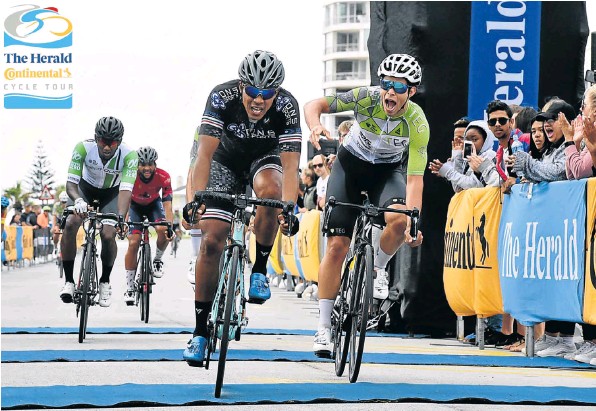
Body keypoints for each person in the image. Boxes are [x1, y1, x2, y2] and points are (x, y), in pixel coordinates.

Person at [182, 50, 301, 366]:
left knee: (271, 191)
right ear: (240, 86)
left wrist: (289, 207)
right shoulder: (221, 97)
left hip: (263, 160)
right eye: (252, 92)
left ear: (277, 92)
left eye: (267, 94)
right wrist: (195, 199)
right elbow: (203, 156)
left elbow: (290, 169)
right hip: (223, 159)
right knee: (211, 242)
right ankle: (199, 332)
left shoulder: (288, 106)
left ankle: (259, 270)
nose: (259, 101)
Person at [304, 53, 426, 356]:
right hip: (350, 168)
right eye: (386, 83)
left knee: (400, 221)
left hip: (387, 174)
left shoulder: (417, 121)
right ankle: (323, 328)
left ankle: (377, 269)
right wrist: (316, 126)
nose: (390, 92)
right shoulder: (364, 98)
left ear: (411, 92)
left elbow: (414, 179)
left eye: (399, 86)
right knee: (336, 247)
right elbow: (313, 105)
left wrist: (414, 221)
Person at [58, 116, 137, 308]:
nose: (108, 147)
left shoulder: (129, 156)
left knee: (108, 235)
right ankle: (69, 281)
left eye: (113, 143)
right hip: (84, 190)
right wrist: (77, 200)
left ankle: (105, 281)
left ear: (120, 141)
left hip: (111, 194)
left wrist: (121, 217)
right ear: (96, 138)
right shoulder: (83, 148)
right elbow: (71, 183)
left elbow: (126, 190)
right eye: (103, 142)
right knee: (70, 224)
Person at [123, 146, 174, 305]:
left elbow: (167, 206)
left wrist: (170, 225)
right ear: (137, 165)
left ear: (155, 164)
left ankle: (157, 260)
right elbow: (124, 200)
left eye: (150, 164)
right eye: (142, 164)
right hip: (134, 206)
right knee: (133, 242)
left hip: (154, 204)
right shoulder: (130, 175)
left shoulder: (163, 176)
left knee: (162, 229)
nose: (146, 168)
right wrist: (123, 221)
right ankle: (130, 286)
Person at [429, 120, 500, 191]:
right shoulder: (468, 158)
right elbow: (458, 188)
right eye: (467, 140)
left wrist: (448, 172)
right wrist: (457, 157)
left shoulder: (490, 155)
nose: (469, 143)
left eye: (474, 139)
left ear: (486, 140)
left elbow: (474, 185)